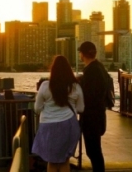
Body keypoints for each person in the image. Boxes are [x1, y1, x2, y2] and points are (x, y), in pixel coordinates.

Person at [32, 56, 84, 172]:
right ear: (69, 69)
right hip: (69, 125)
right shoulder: (75, 87)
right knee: (65, 161)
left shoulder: (45, 86)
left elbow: (37, 108)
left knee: (52, 162)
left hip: (48, 126)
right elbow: (81, 108)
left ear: (53, 69)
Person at [77, 41, 107, 172]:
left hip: (91, 117)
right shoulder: (99, 68)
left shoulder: (91, 71)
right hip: (98, 115)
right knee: (95, 151)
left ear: (83, 54)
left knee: (93, 151)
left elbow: (89, 94)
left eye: (80, 53)